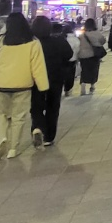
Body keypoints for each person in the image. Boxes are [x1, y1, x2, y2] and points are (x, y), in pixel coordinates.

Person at [0, 12, 48, 160]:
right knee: (18, 117)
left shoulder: (1, 39)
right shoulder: (33, 42)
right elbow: (38, 67)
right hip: (23, 85)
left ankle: (2, 138)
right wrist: (42, 87)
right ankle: (13, 148)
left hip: (1, 83)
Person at [29, 16, 74, 149]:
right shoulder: (58, 41)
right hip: (55, 78)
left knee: (36, 106)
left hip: (36, 79)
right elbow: (69, 54)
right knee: (53, 107)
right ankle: (49, 137)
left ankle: (37, 127)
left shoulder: (31, 43)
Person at [77, 18, 106, 94]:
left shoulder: (82, 35)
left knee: (84, 70)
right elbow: (103, 41)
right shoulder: (97, 33)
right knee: (94, 70)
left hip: (83, 56)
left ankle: (83, 85)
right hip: (94, 55)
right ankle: (92, 85)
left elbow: (78, 44)